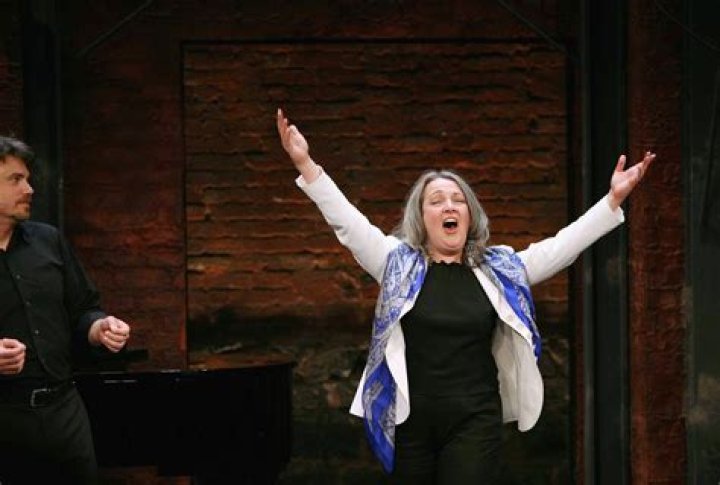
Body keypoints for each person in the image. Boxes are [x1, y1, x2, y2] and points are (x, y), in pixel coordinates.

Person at [277, 109, 654, 483]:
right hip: (411, 421)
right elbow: (347, 222)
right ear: (421, 217)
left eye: (458, 200)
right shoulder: (396, 263)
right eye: (436, 200)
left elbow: (560, 247)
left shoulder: (498, 269)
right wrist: (306, 164)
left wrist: (611, 201)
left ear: (469, 215)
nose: (449, 206)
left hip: (475, 419)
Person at [0, 136, 131, 485]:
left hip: (63, 412)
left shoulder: (48, 241)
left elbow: (83, 309)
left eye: (28, 179)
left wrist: (99, 328)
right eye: (15, 180)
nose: (29, 189)